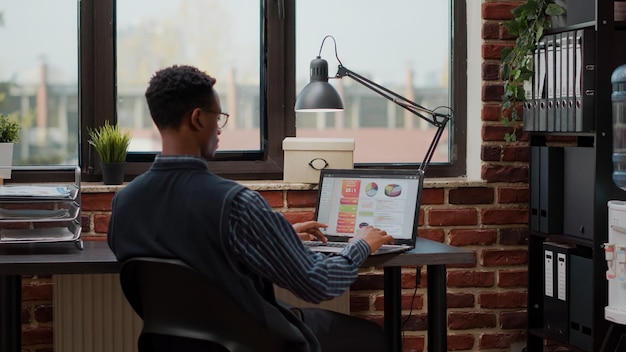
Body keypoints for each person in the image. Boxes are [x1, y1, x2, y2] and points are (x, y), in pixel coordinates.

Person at [107, 64, 392, 352]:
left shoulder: (124, 205)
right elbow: (318, 284)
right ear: (196, 119)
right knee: (371, 337)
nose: (219, 128)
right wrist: (360, 245)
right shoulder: (235, 203)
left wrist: (279, 236)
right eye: (217, 117)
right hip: (255, 342)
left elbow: (190, 251)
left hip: (174, 344)